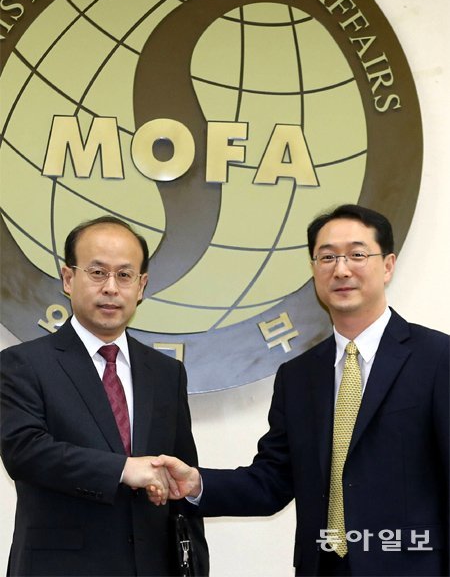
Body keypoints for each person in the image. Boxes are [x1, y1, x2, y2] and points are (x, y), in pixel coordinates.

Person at [151, 204, 449, 577]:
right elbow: (273, 480)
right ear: (314, 269)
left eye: (357, 255)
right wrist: (196, 483)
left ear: (387, 265)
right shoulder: (298, 376)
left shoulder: (437, 358)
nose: (341, 269)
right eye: (327, 257)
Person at [0, 216, 209, 576]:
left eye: (125, 275)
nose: (111, 288)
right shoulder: (23, 364)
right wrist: (124, 469)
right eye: (97, 273)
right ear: (68, 279)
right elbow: (25, 452)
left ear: (141, 286)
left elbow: (182, 482)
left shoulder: (166, 373)